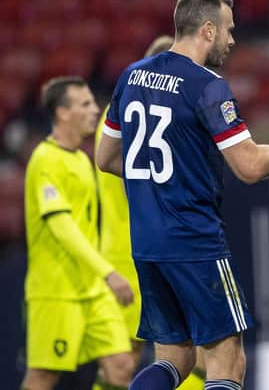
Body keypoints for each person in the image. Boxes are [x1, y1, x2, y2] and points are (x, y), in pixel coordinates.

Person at [95, 0, 269, 390]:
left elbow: (106, 158)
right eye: (229, 30)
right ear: (207, 30)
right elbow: (250, 167)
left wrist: (157, 187)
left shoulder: (132, 75)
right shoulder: (206, 86)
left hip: (147, 242)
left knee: (174, 356)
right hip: (194, 240)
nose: (233, 39)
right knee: (227, 361)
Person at [22, 76, 135, 390]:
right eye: (85, 104)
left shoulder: (84, 160)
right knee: (43, 376)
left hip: (92, 288)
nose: (95, 110)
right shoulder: (45, 160)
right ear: (62, 112)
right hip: (57, 291)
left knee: (122, 365)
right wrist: (108, 272)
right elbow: (62, 228)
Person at [94, 35, 175, 384]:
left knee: (136, 360)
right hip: (132, 257)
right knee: (125, 364)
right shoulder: (140, 120)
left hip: (129, 252)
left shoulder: (118, 117)